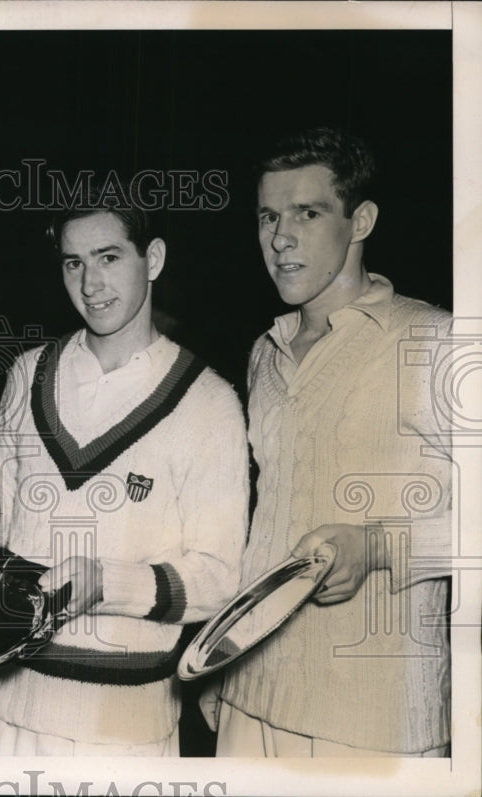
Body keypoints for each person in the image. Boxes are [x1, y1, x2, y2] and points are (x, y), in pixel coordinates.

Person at [0, 190, 250, 755]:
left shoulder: (208, 403)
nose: (91, 283)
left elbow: (217, 579)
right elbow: (6, 530)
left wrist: (105, 583)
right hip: (3, 704)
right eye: (74, 263)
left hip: (121, 730)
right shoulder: (28, 372)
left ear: (155, 259)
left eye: (109, 257)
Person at [214, 127, 452, 756]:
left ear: (361, 220)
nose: (280, 237)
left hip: (372, 718)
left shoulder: (438, 340)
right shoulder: (262, 356)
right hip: (246, 692)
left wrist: (376, 547)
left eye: (308, 213)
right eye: (268, 216)